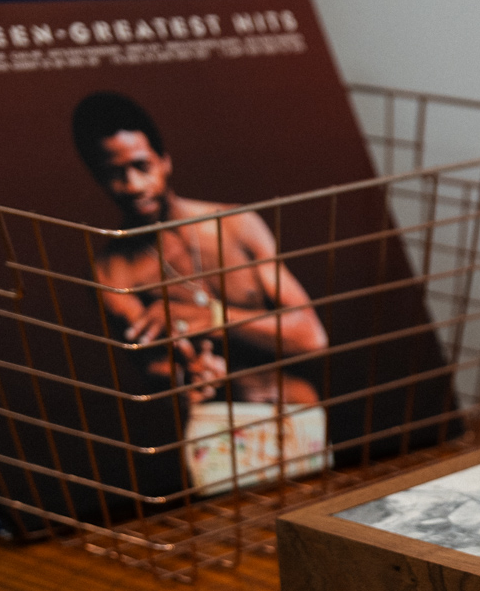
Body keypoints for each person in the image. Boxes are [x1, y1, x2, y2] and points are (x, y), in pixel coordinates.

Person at [70, 91, 327, 406]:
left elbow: (310, 337)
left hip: (298, 412)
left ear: (165, 161)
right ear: (98, 178)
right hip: (213, 431)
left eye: (142, 166)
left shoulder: (234, 224)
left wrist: (213, 317)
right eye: (115, 174)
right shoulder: (112, 273)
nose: (134, 185)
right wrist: (187, 375)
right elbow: (151, 365)